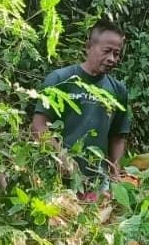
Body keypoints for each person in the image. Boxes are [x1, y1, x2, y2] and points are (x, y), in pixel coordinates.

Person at [31, 20, 131, 190]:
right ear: (89, 47)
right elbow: (38, 126)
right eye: (106, 51)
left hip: (97, 181)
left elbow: (117, 137)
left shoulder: (118, 90)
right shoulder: (61, 79)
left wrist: (115, 174)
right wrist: (61, 157)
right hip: (54, 177)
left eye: (116, 54)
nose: (111, 59)